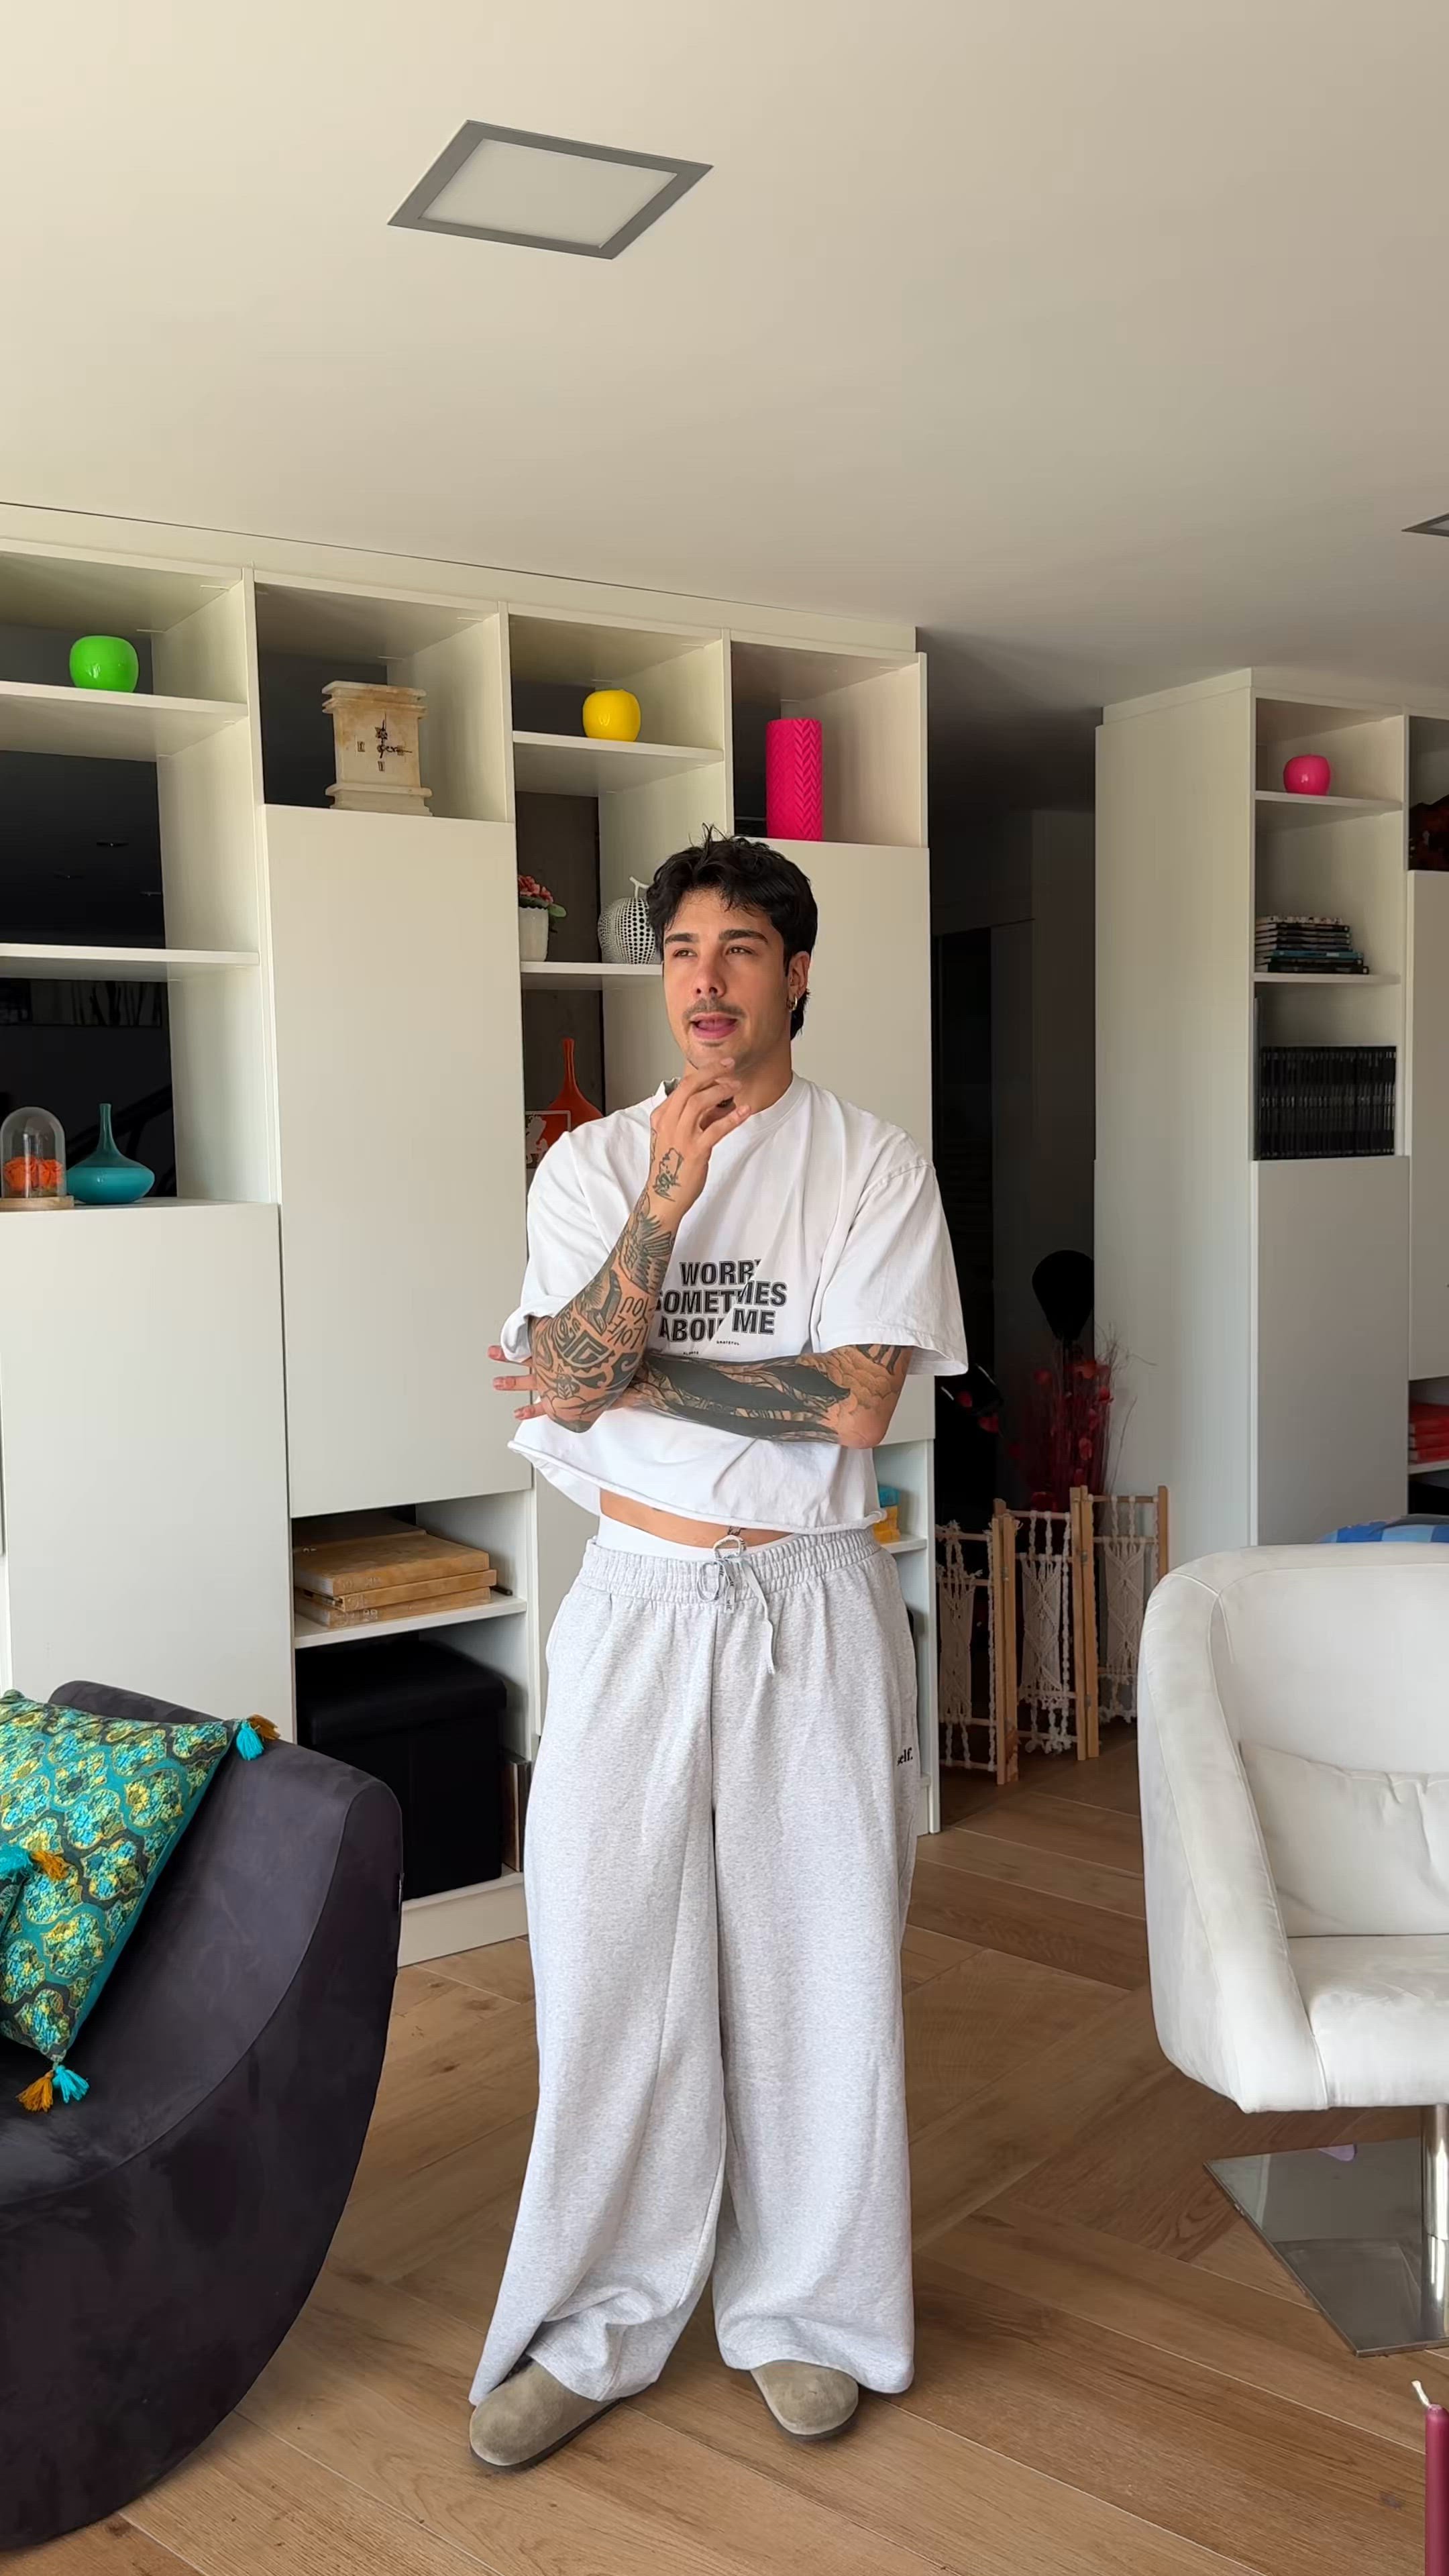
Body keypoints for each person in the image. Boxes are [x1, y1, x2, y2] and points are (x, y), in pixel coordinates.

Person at [468, 830, 968, 2471]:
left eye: (741, 948)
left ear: (796, 974)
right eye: (682, 949)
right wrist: (664, 1209)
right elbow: (572, 1384)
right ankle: (593, 2322)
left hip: (812, 1598)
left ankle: (810, 2313)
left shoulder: (870, 1161)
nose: (706, 979)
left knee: (823, 1968)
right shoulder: (593, 1169)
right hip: (637, 1596)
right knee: (605, 1963)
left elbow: (860, 1403)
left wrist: (612, 1373)